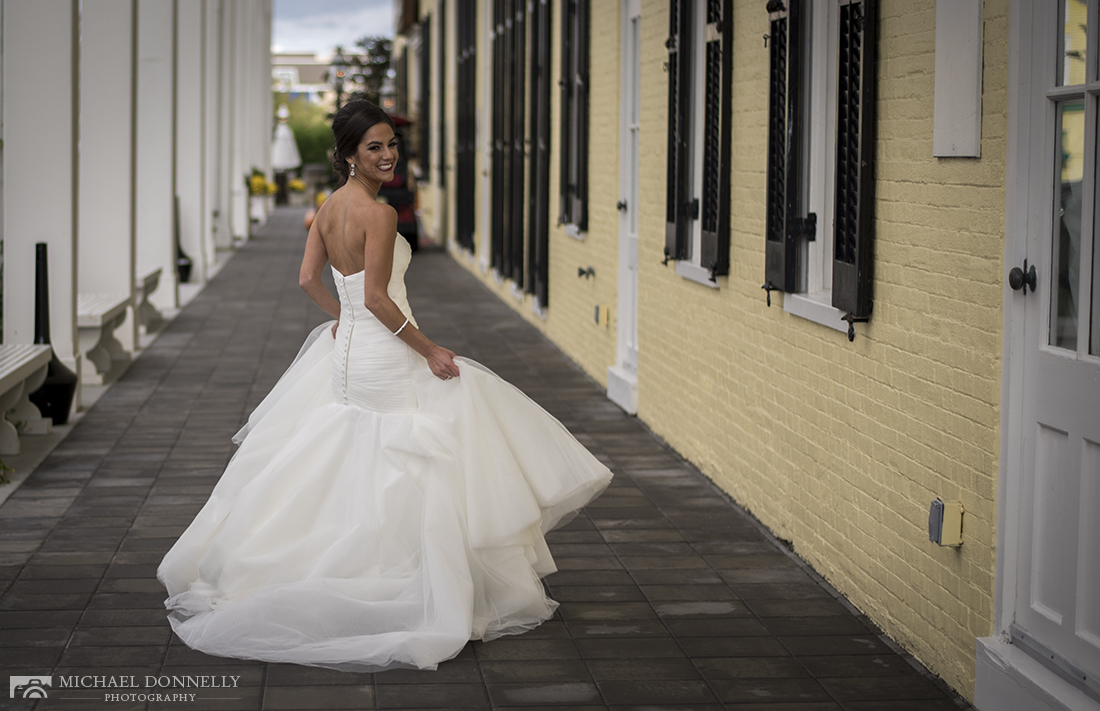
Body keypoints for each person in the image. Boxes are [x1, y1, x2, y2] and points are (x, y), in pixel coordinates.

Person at [157, 100, 612, 672]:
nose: (388, 154)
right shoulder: (379, 215)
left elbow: (308, 280)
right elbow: (377, 297)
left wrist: (340, 319)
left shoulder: (327, 209)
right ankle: (406, 578)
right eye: (374, 146)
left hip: (350, 354)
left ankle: (338, 564)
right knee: (419, 446)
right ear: (349, 155)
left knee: (361, 448)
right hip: (385, 351)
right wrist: (430, 349)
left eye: (391, 144)